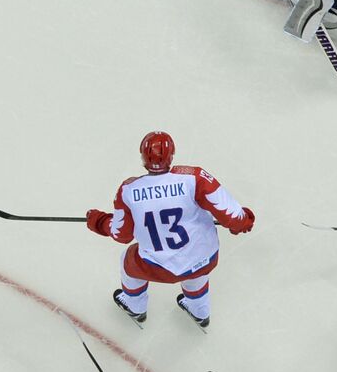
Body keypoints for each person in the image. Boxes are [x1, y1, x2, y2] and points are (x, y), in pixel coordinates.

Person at [86, 131, 254, 329]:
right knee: (197, 265)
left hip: (157, 267)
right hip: (203, 258)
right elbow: (234, 216)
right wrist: (243, 223)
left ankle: (135, 307)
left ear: (142, 157)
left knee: (128, 261)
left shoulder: (128, 190)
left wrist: (98, 221)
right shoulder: (195, 178)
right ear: (172, 155)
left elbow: (121, 234)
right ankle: (200, 311)